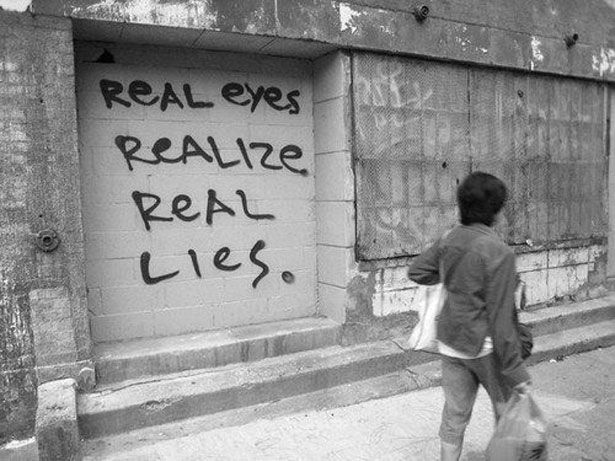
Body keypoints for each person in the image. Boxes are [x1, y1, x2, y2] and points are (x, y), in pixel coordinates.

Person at [407, 172, 531, 461]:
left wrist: (455, 278)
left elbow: (417, 271)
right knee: (507, 411)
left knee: (455, 412)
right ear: (496, 211)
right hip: (485, 348)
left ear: (462, 204)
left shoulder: (450, 239)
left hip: (450, 340)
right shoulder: (499, 252)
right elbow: (501, 319)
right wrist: (516, 371)